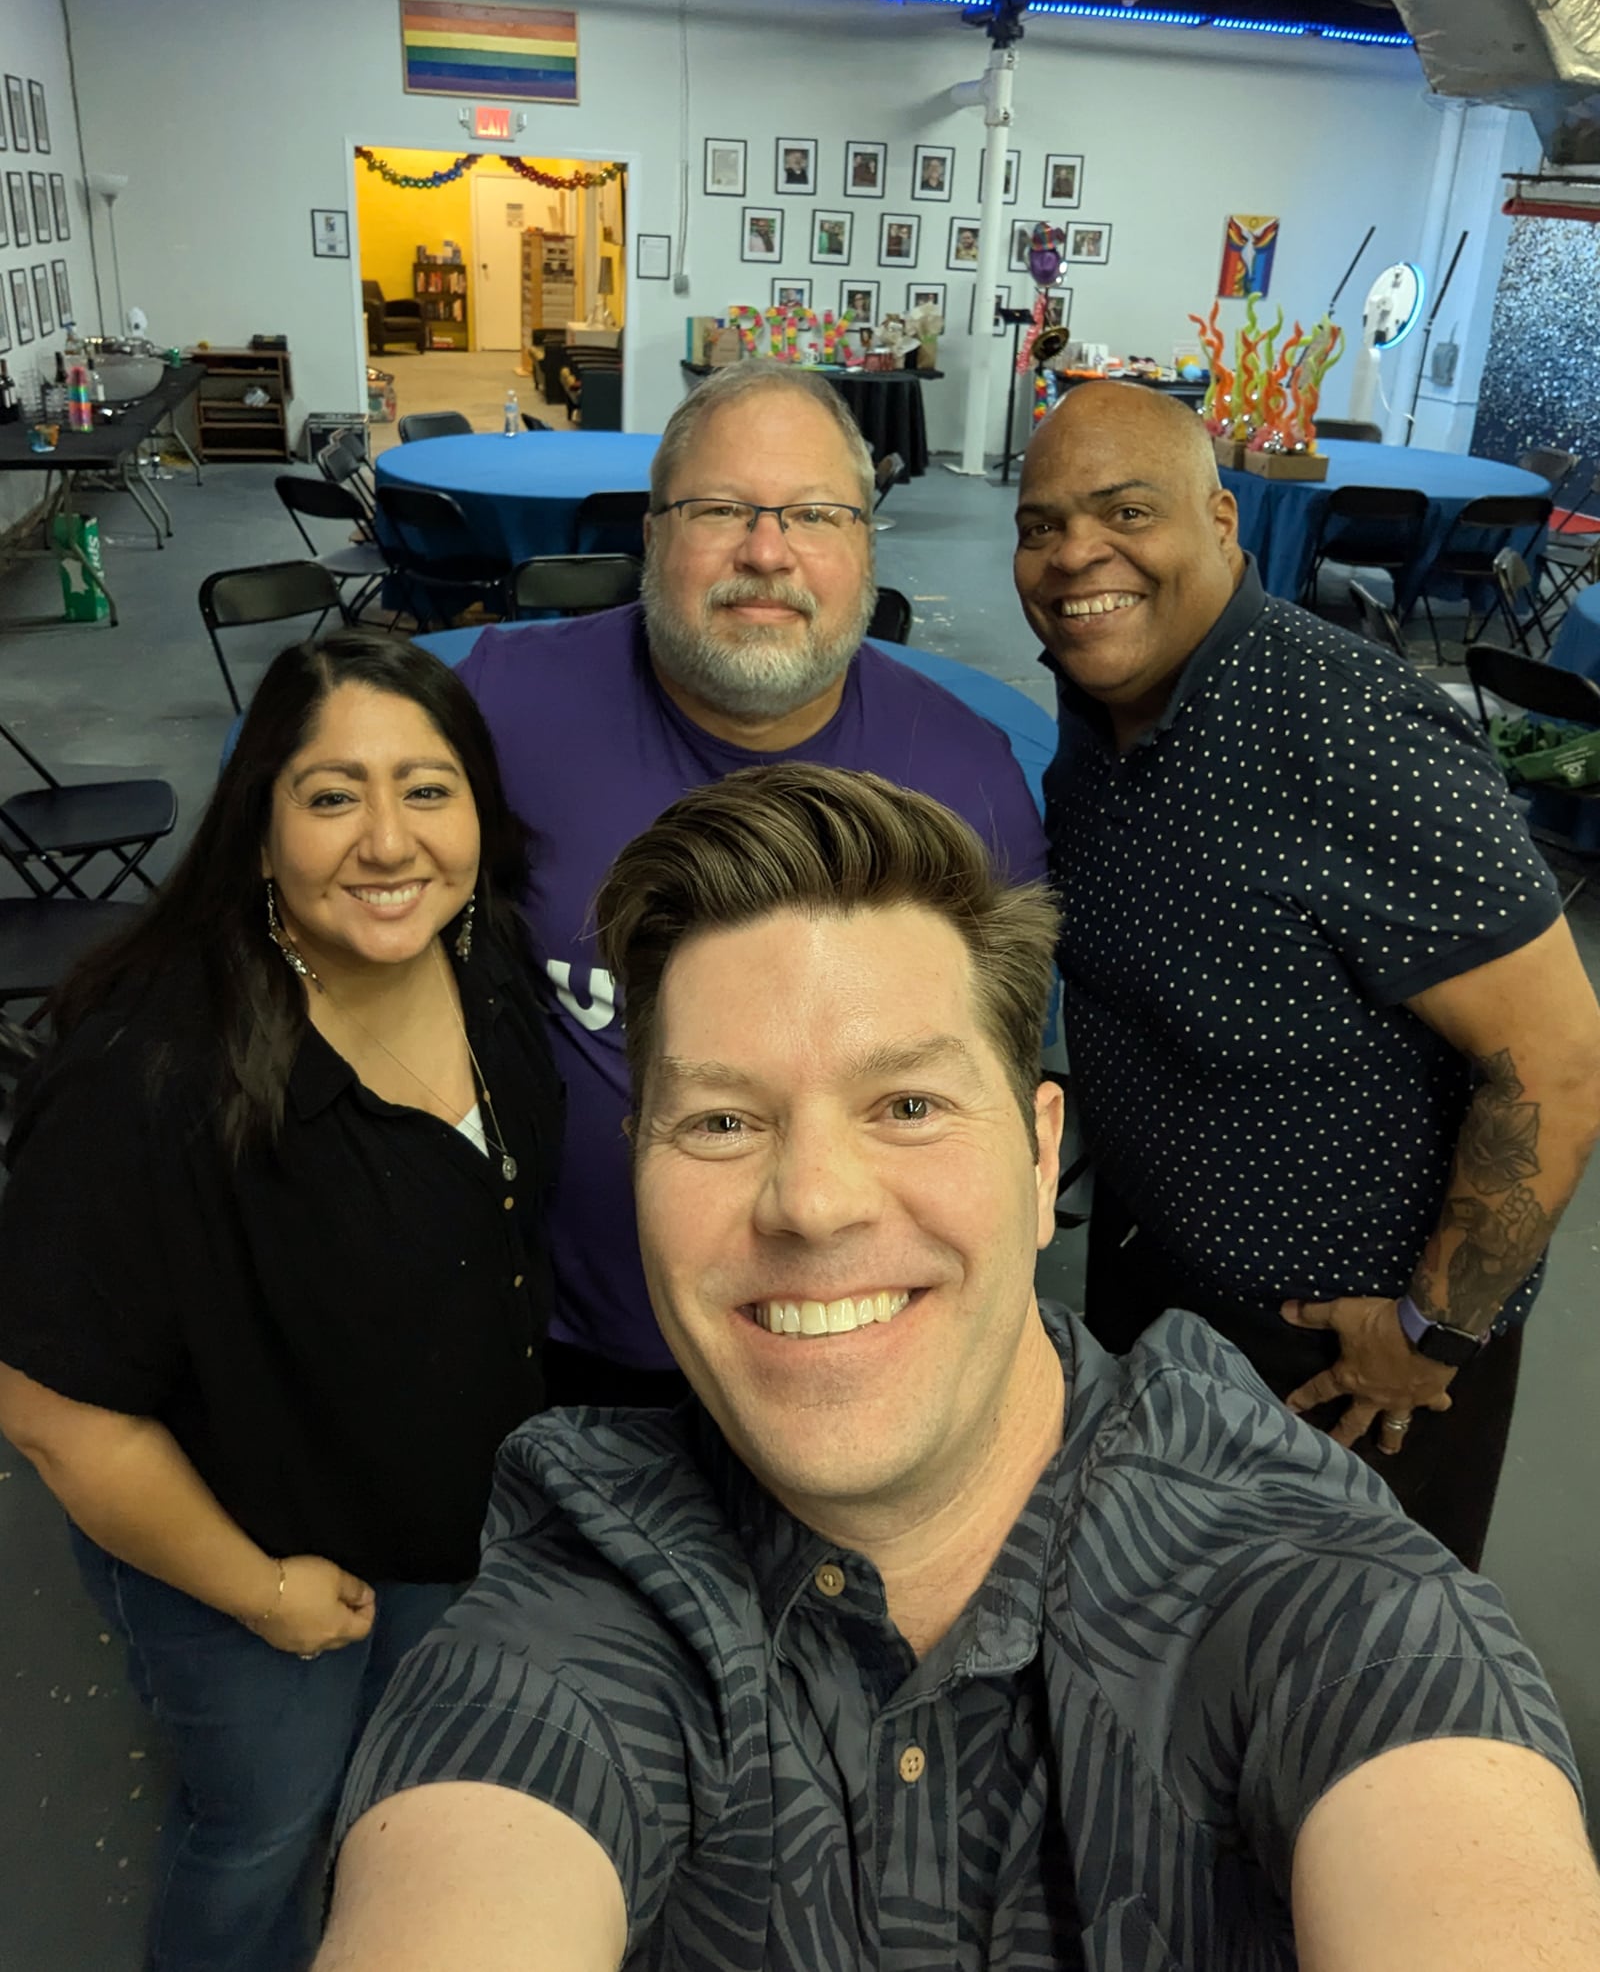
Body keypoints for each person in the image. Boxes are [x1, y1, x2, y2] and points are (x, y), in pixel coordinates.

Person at [314, 765, 1599, 1972]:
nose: (811, 1202)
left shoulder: (1326, 1603)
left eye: (909, 1106)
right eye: (719, 1120)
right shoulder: (579, 1586)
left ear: (1042, 1160)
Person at [0, 632, 563, 1972]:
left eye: (429, 789)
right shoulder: (153, 1072)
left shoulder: (488, 970)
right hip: (243, 1554)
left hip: (434, 1516)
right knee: (260, 1826)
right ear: (258, 831)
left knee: (384, 1778)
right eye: (330, 795)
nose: (387, 840)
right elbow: (51, 1411)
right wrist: (261, 1594)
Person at [1012, 381, 1600, 1568]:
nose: (1077, 555)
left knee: (1338, 1702)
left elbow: (1556, 1057)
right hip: (1157, 1294)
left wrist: (1431, 1331)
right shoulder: (1105, 709)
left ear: (1221, 521)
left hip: (1339, 1360)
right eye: (1040, 525)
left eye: (1126, 511)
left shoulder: (1348, 729)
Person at [452, 358, 1045, 1407]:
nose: (766, 553)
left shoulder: (970, 782)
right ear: (651, 535)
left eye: (814, 514)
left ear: (865, 547)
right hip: (542, 1345)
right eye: (721, 509)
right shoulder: (494, 713)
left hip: (844, 1346)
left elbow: (989, 1097)